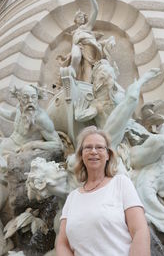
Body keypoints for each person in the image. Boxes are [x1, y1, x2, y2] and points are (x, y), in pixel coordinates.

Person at [56, 126, 150, 256]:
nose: (93, 151)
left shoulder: (121, 183)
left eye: (99, 147)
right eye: (88, 147)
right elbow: (62, 243)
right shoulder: (72, 197)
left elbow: (140, 231)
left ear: (108, 155)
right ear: (81, 155)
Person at [0, 84, 62, 156]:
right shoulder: (20, 108)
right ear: (19, 98)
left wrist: (33, 145)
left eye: (33, 97)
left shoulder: (41, 119)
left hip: (21, 151)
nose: (30, 101)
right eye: (25, 97)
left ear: (37, 98)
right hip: (10, 144)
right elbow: (10, 115)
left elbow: (58, 144)